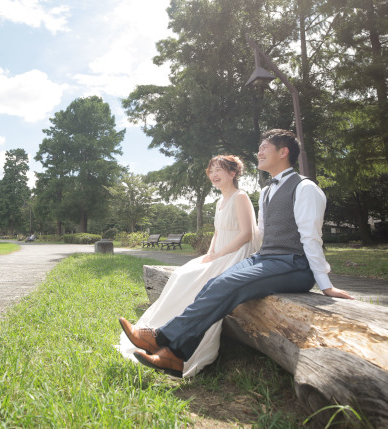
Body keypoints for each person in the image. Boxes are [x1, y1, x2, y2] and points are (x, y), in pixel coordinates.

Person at [120, 129, 353, 377]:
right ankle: (175, 356)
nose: (259, 152)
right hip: (265, 259)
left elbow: (311, 237)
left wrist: (325, 284)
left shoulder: (306, 188)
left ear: (284, 152)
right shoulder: (266, 191)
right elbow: (261, 233)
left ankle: (162, 338)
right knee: (214, 283)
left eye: (265, 148)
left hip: (294, 264)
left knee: (228, 283)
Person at [117, 155, 260, 377]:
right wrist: (210, 254)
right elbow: (218, 233)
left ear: (233, 173)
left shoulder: (240, 197)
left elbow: (247, 234)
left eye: (219, 169)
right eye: (211, 170)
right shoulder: (220, 202)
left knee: (191, 279)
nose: (214, 174)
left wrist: (219, 255)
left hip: (236, 254)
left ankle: (166, 340)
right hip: (220, 252)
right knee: (182, 274)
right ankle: (155, 335)